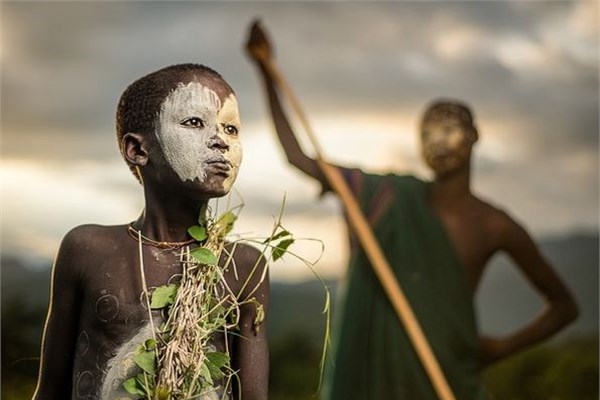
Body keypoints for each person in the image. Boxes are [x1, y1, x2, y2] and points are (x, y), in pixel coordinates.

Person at [246, 22, 578, 399]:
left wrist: (503, 347)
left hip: (449, 374)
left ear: (475, 135)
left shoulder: (495, 226)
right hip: (374, 375)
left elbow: (564, 306)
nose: (438, 140)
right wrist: (267, 71)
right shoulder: (385, 196)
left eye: (449, 128)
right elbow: (298, 157)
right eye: (428, 132)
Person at [33, 64, 269, 400]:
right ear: (138, 150)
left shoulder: (244, 266)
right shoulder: (87, 249)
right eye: (194, 122)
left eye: (231, 128)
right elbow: (50, 389)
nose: (221, 141)